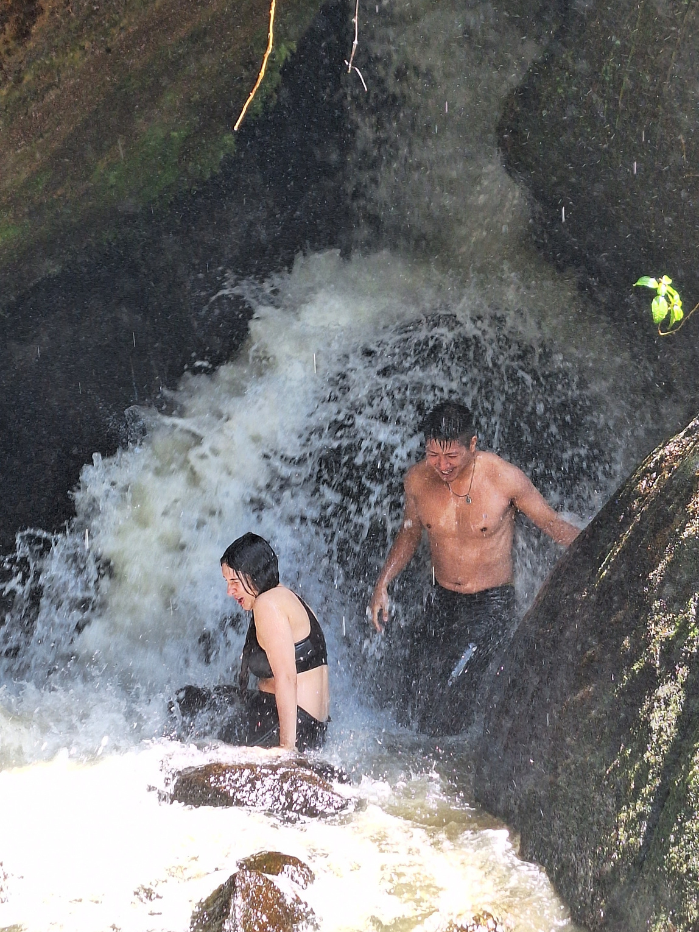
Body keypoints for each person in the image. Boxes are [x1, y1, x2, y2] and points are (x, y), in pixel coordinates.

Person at [369, 401, 580, 734]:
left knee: (453, 687)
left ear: (472, 444)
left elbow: (552, 523)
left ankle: (450, 759)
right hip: (441, 600)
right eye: (433, 455)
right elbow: (409, 533)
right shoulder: (417, 482)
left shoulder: (503, 478)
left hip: (491, 604)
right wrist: (382, 583)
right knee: (413, 686)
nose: (442, 466)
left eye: (452, 456)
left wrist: (603, 541)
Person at [221, 533, 330, 752]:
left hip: (288, 726)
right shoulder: (288, 597)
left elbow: (287, 678)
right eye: (227, 582)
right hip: (311, 727)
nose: (229, 591)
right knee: (215, 699)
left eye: (234, 582)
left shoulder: (268, 604)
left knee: (190, 704)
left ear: (254, 574)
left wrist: (286, 749)